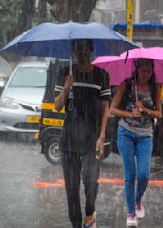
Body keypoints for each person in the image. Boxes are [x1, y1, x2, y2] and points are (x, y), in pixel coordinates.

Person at [54, 39, 110, 228]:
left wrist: (102, 136)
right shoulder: (65, 73)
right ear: (74, 50)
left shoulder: (101, 75)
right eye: (78, 48)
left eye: (85, 47)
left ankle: (90, 212)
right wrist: (67, 86)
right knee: (71, 188)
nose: (82, 52)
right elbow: (57, 106)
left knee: (91, 181)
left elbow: (105, 107)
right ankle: (76, 225)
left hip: (91, 138)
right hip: (69, 139)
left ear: (92, 49)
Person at [109, 58, 162, 227]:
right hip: (125, 132)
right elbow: (112, 109)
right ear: (136, 69)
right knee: (130, 175)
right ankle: (131, 213)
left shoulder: (156, 88)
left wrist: (145, 110)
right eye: (143, 71)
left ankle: (137, 200)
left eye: (149, 71)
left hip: (145, 135)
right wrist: (130, 114)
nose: (146, 75)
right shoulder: (126, 85)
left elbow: (159, 114)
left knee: (144, 175)